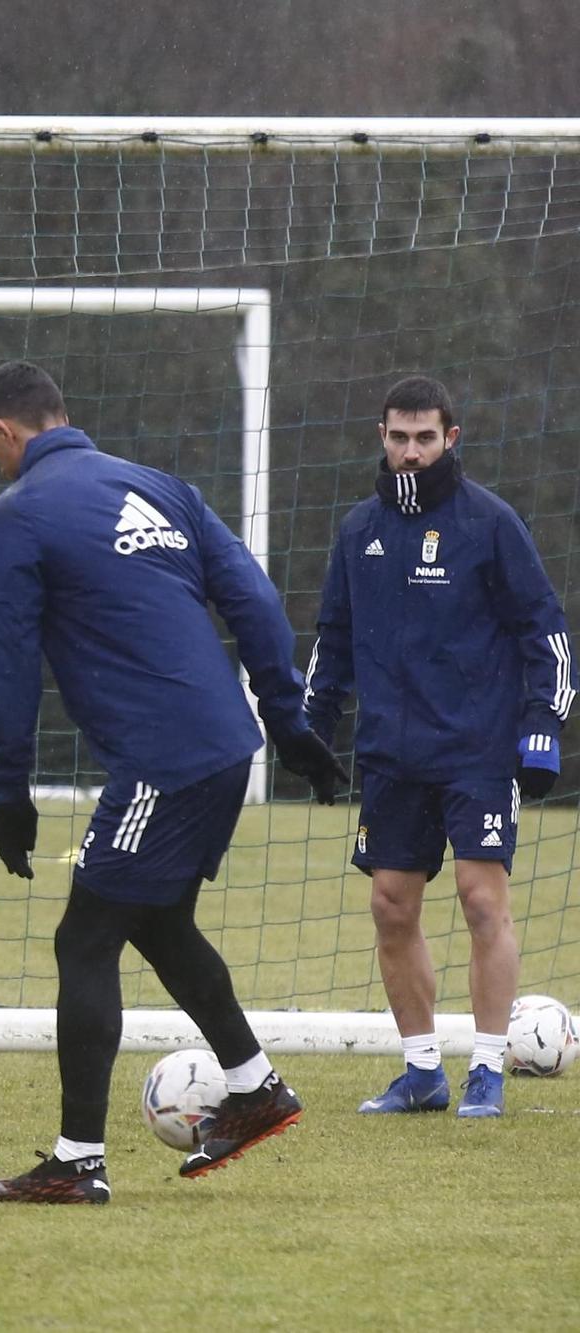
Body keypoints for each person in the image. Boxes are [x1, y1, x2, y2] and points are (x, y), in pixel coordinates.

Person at [0, 360, 346, 1205]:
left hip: (163, 762)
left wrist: (8, 789)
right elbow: (255, 603)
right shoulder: (162, 487)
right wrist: (290, 725)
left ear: (4, 432)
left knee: (85, 938)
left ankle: (77, 1161)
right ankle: (253, 1087)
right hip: (224, 748)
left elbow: (9, 668)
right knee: (158, 920)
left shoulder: (17, 515)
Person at [303, 375, 570, 1120]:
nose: (411, 451)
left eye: (426, 438)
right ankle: (422, 1070)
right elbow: (333, 638)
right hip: (392, 751)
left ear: (451, 438)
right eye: (399, 437)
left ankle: (488, 1066)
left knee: (481, 899)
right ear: (382, 439)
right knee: (391, 905)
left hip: (477, 748)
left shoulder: (491, 522)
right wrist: (310, 728)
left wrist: (541, 721)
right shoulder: (360, 530)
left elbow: (546, 631)